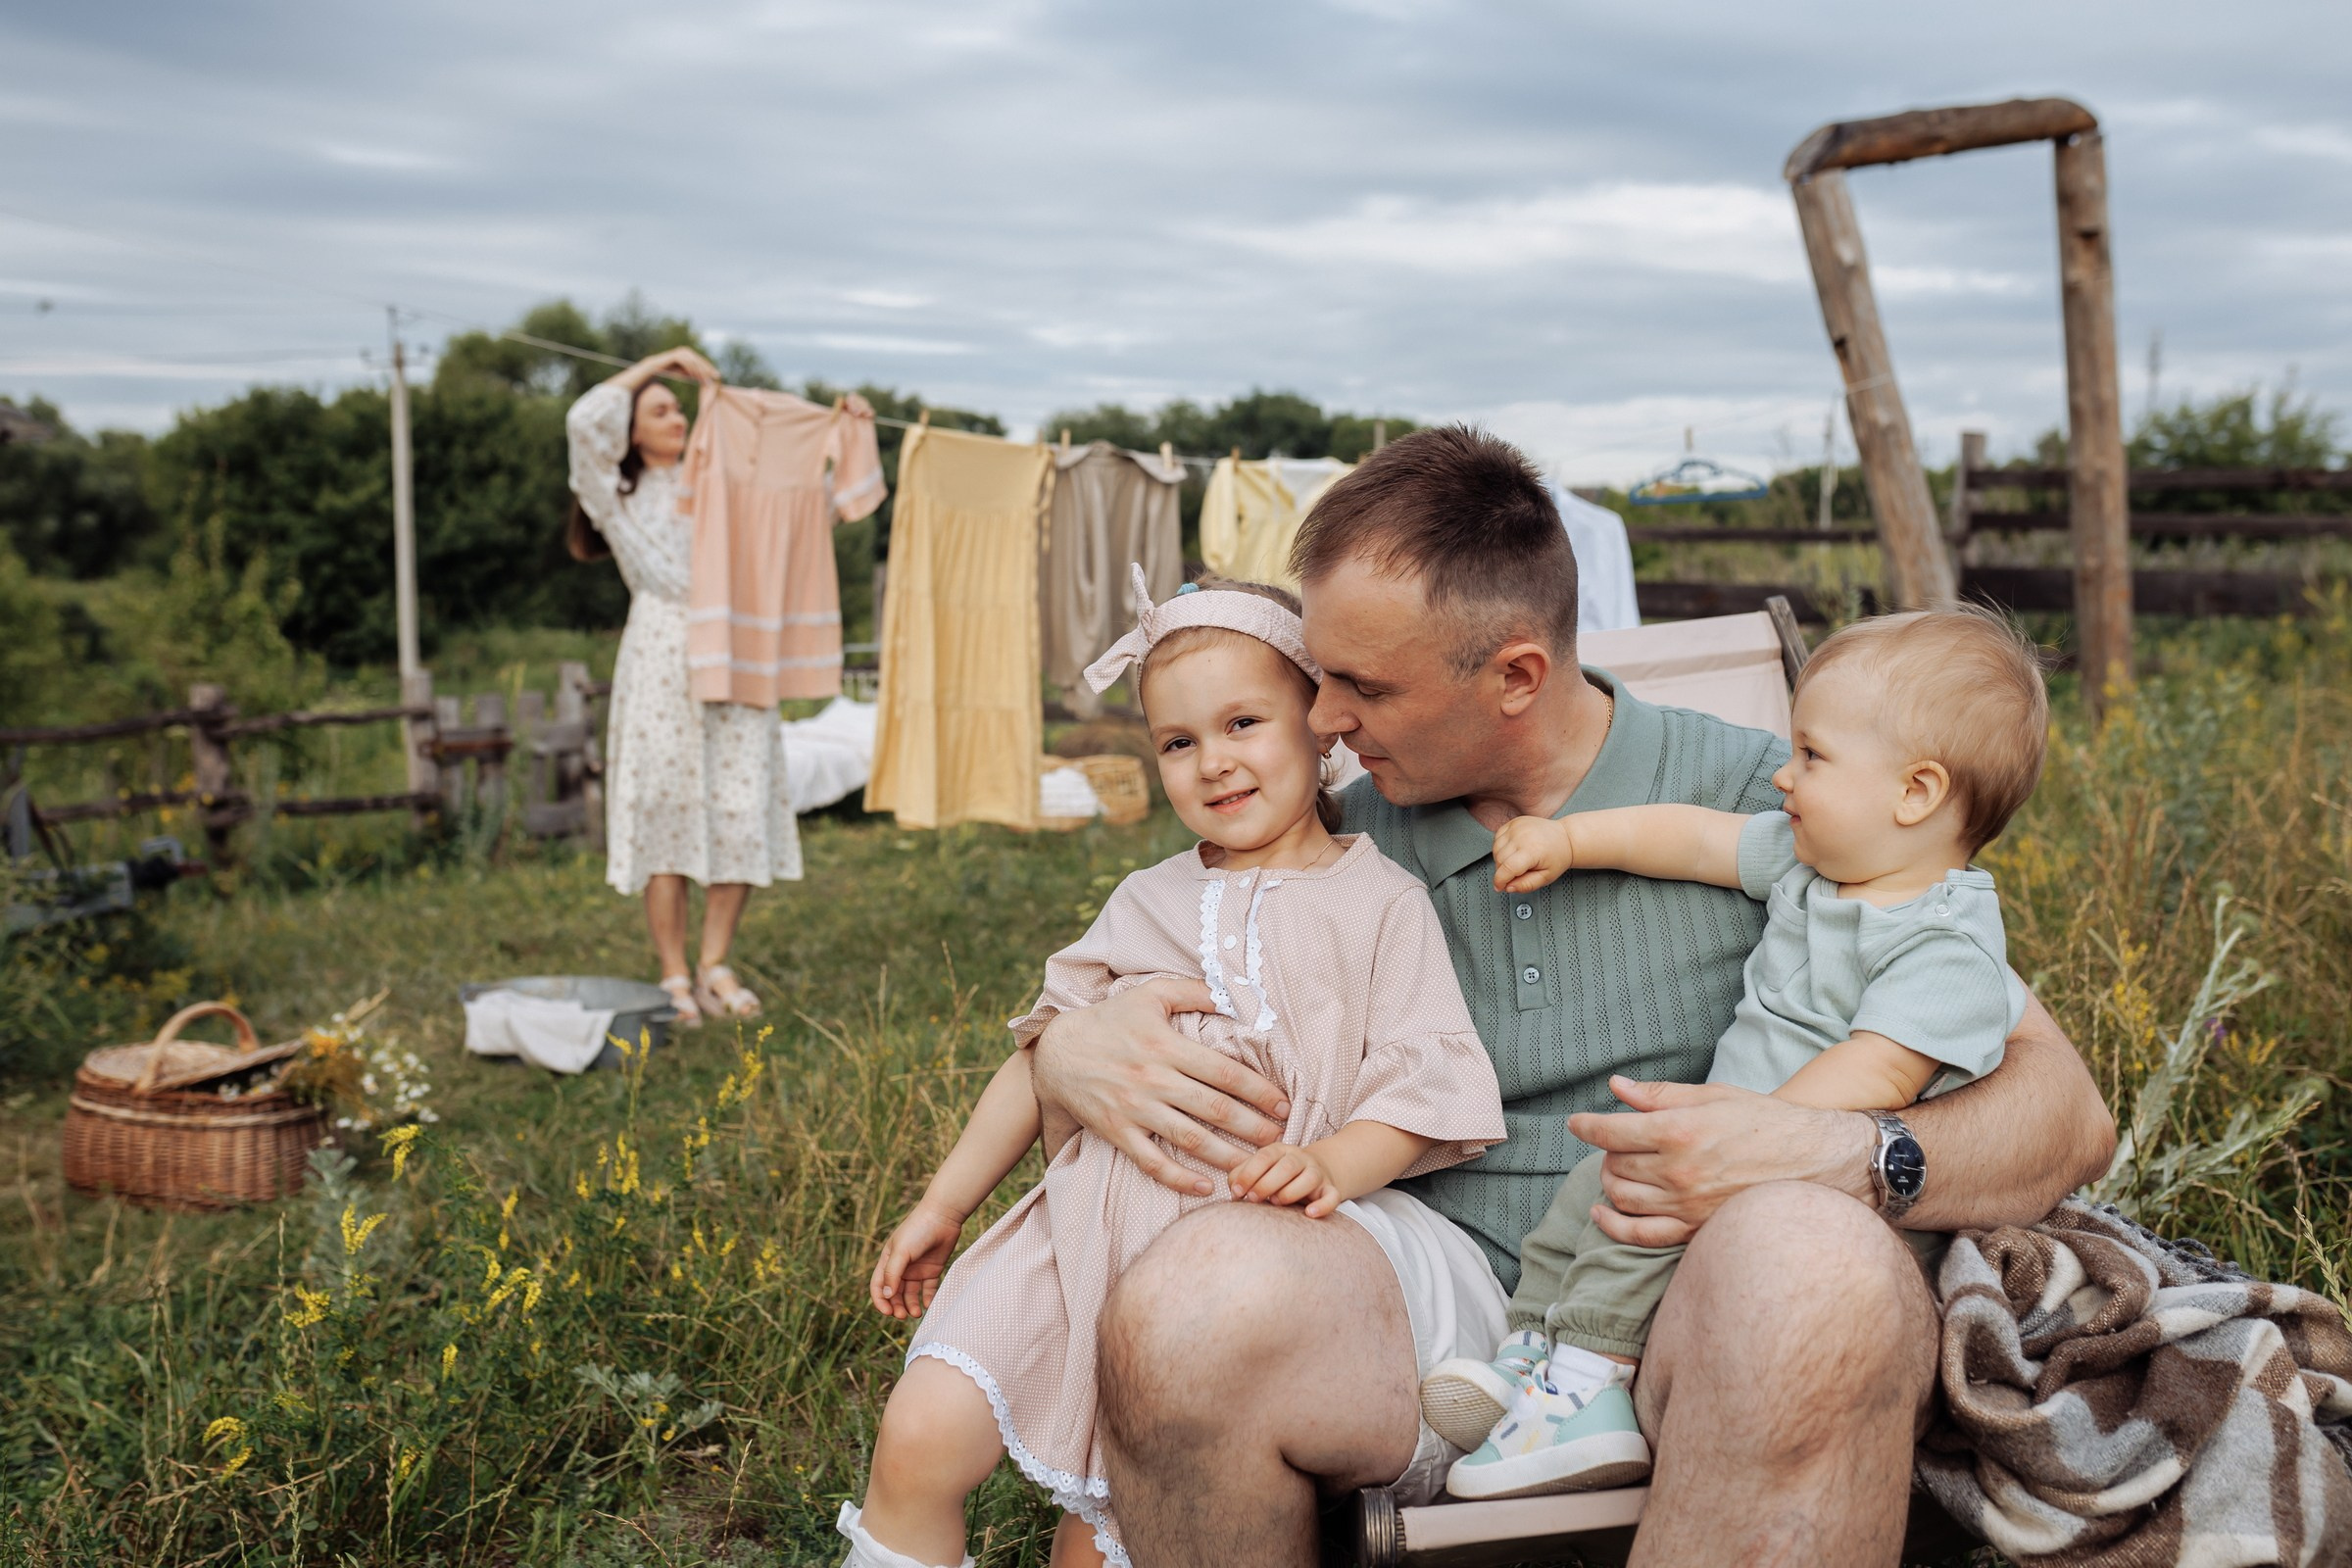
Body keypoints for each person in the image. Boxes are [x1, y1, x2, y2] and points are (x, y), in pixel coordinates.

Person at [1025, 426, 2117, 1567]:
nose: (1321, 719)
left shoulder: (1781, 806)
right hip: (1426, 1301)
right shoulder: (1330, 840)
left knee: (1814, 1268)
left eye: (1362, 684)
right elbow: (1138, 958)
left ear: (1515, 676)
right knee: (1187, 1309)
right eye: (1318, 674)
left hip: (1694, 1296)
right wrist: (1065, 1052)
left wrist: (1832, 1153)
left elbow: (2063, 1111)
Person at [838, 570, 1505, 1568]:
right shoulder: (1147, 898)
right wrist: (945, 1202)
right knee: (919, 1437)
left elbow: (1425, 1084)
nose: (1214, 763)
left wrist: (1332, 1164)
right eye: (1179, 742)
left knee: (1108, 1536)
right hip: (1076, 1233)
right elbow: (1039, 1059)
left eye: (1244, 723)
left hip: (1224, 1244)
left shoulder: (1381, 902)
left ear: (1319, 725)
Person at [1427, 605, 2048, 1501]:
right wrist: (1569, 839)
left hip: (1816, 1184)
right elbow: (1690, 838)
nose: (1782, 779)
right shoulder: (1812, 867)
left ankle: (1588, 1391)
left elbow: (1881, 1071)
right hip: (1734, 1141)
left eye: (1812, 757)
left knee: (1646, 1210)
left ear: (1915, 793)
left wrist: (1751, 1135)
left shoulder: (1947, 942)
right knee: (1598, 1178)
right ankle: (1531, 1351)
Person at [565, 346, 783, 1027]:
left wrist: (848, 431)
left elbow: (804, 511)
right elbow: (581, 419)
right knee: (665, 810)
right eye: (659, 409)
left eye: (679, 406)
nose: (677, 416)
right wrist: (659, 362)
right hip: (662, 650)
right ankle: (673, 974)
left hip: (738, 645)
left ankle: (716, 962)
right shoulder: (614, 493)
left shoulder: (719, 484)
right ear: (629, 430)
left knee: (737, 801)